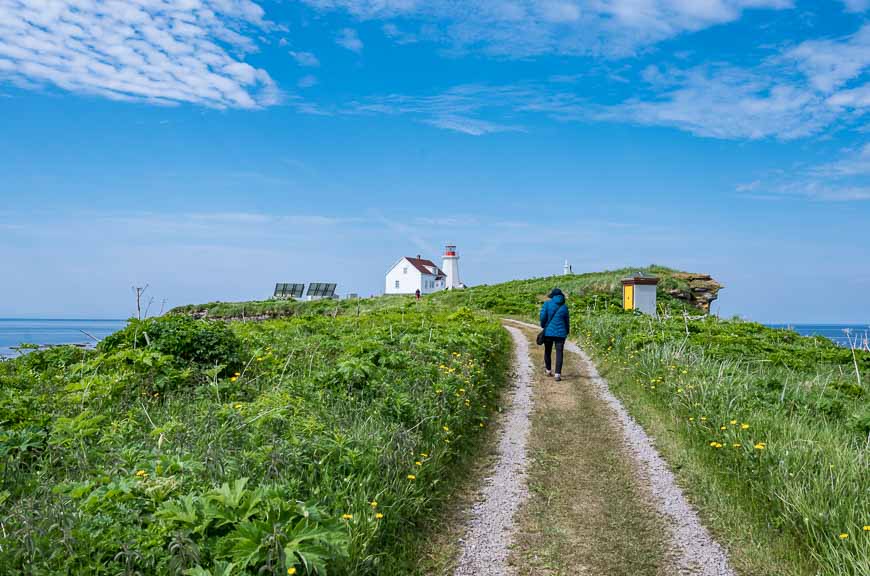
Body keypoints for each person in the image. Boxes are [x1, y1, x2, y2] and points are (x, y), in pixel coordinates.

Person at [539, 288, 570, 381]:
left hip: (548, 332)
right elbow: (567, 321)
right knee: (559, 353)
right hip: (561, 334)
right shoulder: (564, 307)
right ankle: (557, 375)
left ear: (552, 296)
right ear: (561, 296)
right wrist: (567, 331)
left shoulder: (547, 304)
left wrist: (543, 325)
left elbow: (542, 317)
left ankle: (548, 371)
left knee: (547, 351)